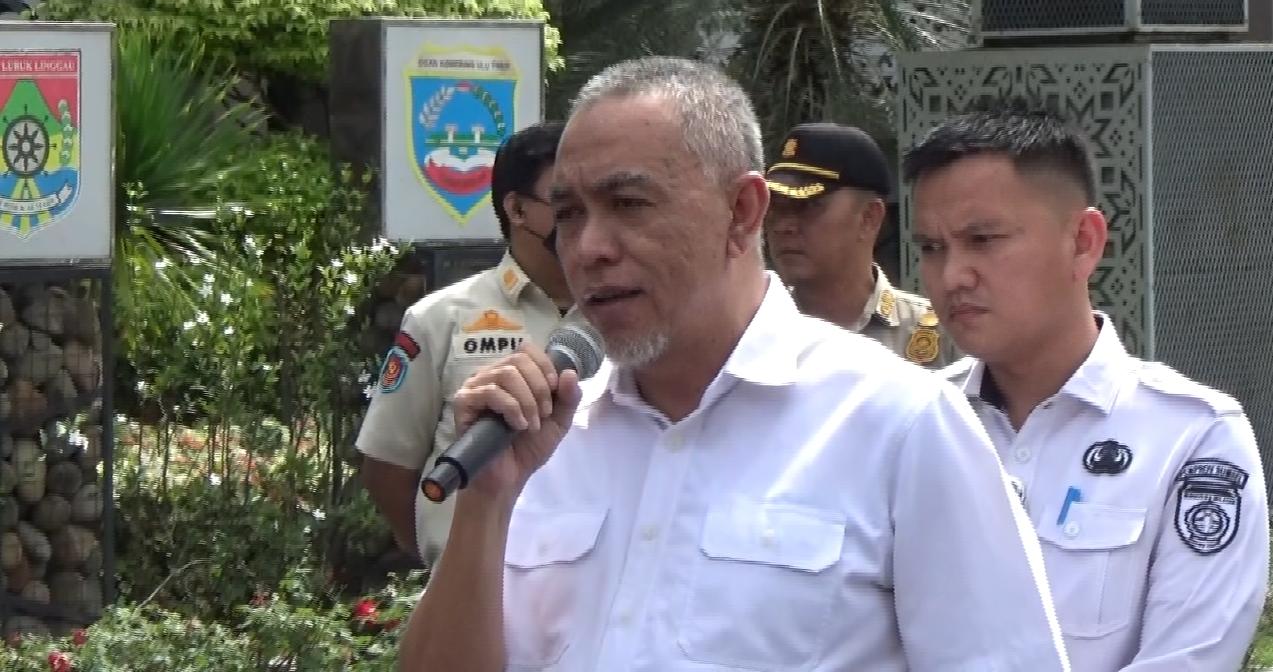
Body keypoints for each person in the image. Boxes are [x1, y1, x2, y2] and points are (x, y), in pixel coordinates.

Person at [398, 57, 1071, 671]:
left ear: (743, 212)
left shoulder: (897, 424)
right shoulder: (540, 442)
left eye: (628, 204)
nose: (590, 247)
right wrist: (486, 505)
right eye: (569, 214)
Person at [905, 103, 1270, 671]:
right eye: (932, 248)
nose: (952, 276)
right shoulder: (912, 423)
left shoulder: (1192, 439)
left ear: (1083, 241)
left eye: (983, 239)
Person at [354, 121, 574, 568]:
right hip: (477, 586)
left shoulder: (625, 314)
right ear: (517, 209)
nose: (586, 219)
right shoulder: (440, 317)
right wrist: (445, 554)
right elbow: (387, 469)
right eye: (565, 203)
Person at [765, 122, 957, 367]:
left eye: (808, 206)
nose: (784, 226)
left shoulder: (942, 336)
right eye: (776, 207)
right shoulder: (750, 337)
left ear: (869, 218)